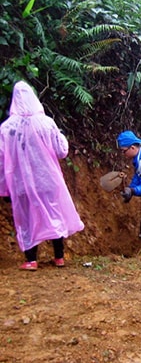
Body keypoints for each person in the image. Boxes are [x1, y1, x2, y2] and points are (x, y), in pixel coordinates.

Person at [0, 81, 84, 270]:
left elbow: (1, 159)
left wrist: (4, 187)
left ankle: (31, 260)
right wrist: (61, 135)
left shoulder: (7, 128)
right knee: (54, 212)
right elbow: (62, 151)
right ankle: (59, 257)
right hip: (48, 179)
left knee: (26, 219)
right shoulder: (46, 123)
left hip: (21, 183)